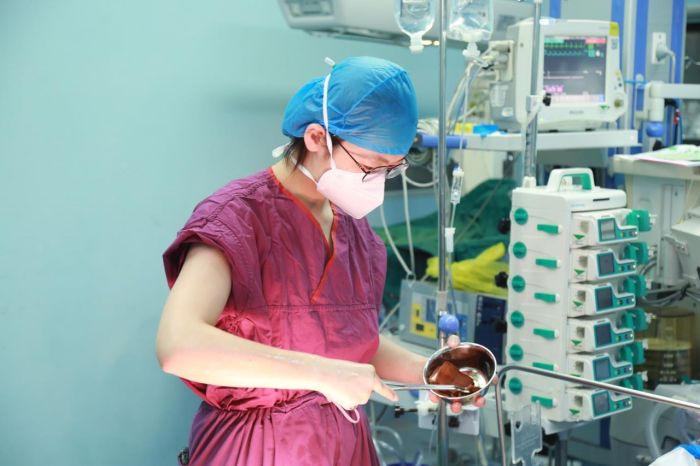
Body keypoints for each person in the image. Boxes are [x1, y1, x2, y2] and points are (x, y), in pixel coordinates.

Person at [156, 56, 483, 466]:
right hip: (256, 447)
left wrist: (429, 371)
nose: (378, 182)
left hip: (343, 445)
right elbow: (178, 346)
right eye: (370, 166)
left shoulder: (355, 231)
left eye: (391, 169)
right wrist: (324, 375)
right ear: (316, 137)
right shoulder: (237, 219)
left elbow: (347, 338)